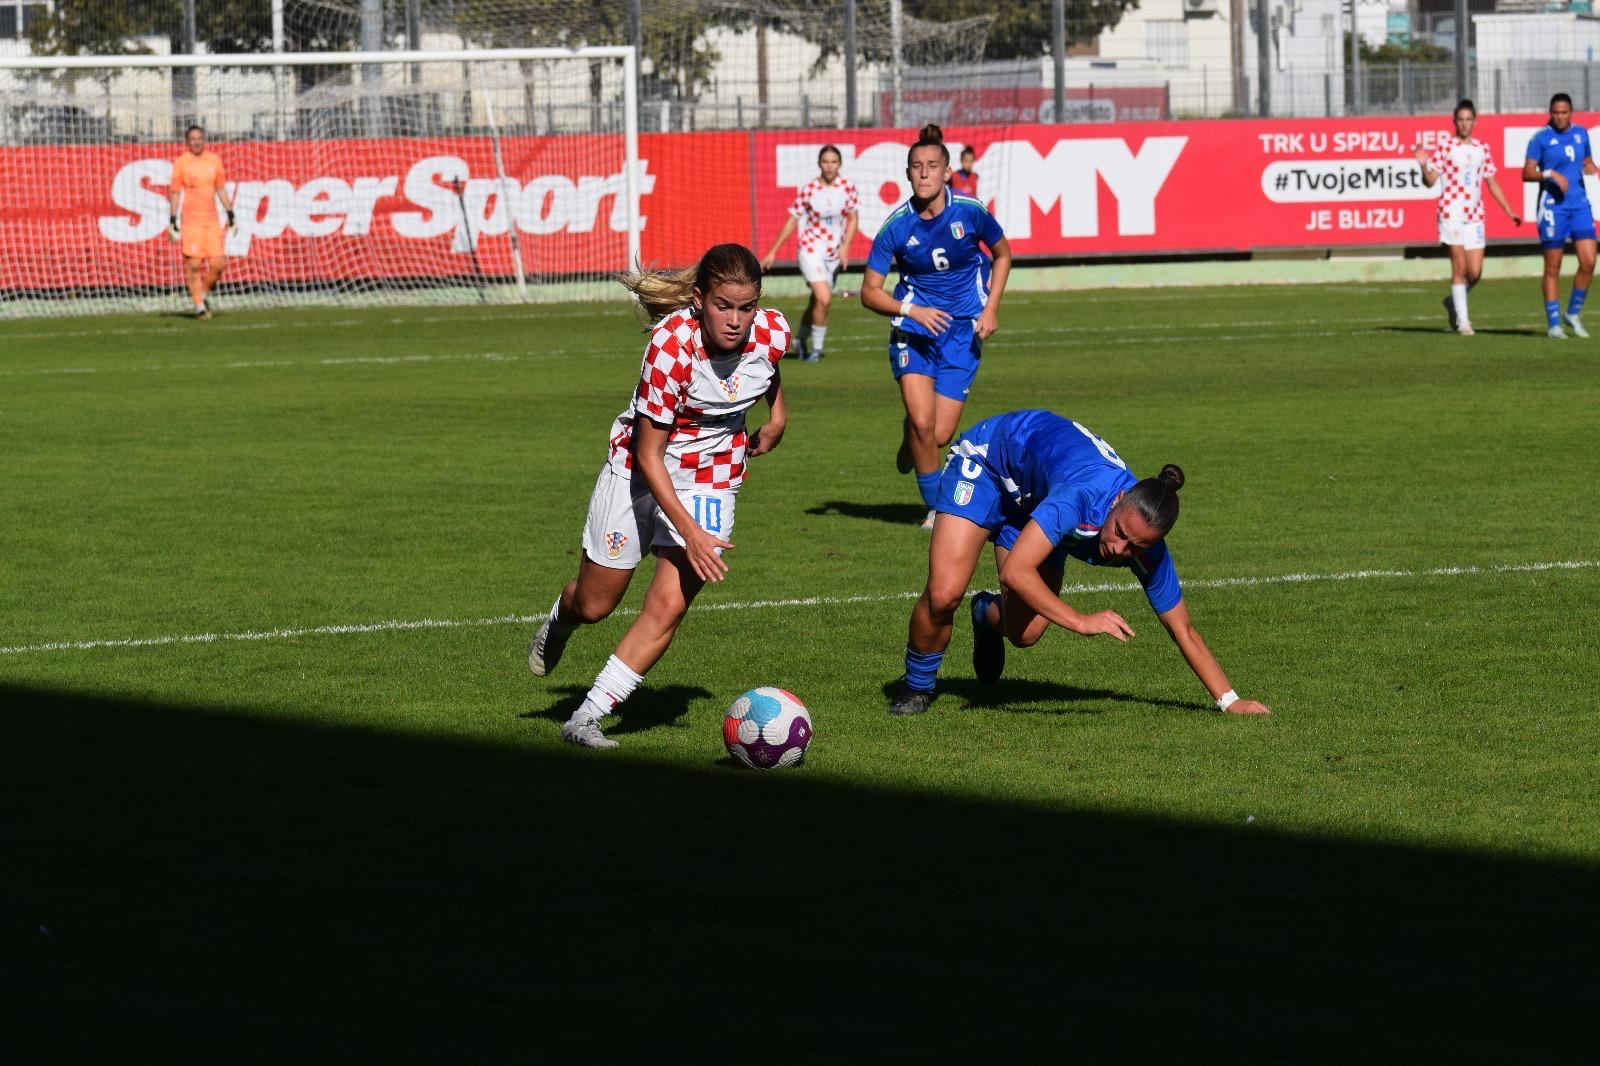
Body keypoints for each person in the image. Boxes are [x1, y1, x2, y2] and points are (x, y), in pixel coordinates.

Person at [527, 244, 791, 749]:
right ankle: (561, 621)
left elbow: (768, 367)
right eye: (723, 306)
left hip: (711, 475)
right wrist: (690, 533)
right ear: (698, 299)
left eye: (746, 307)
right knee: (595, 604)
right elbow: (649, 454)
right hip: (638, 473)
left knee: (668, 605)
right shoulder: (672, 347)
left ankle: (586, 718)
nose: (736, 320)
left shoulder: (773, 331)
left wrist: (778, 416)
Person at [888, 408, 1271, 719]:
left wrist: (1230, 700)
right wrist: (1080, 621)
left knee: (1025, 634)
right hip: (991, 463)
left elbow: (1182, 628)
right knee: (945, 593)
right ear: (1118, 500)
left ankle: (986, 614)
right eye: (1119, 532)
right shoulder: (1080, 497)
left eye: (1135, 547)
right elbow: (1016, 572)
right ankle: (917, 687)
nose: (1118, 549)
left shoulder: (1147, 548)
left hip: (1039, 501)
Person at [860, 124, 1012, 530]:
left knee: (939, 434)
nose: (924, 172)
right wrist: (912, 311)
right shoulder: (896, 226)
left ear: (947, 172)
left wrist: (992, 308)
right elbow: (869, 292)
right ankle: (937, 510)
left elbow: (1002, 254)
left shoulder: (970, 211)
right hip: (914, 335)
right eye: (916, 166)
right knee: (925, 424)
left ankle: (912, 436)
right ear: (907, 174)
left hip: (962, 333)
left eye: (932, 165)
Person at [1412, 99, 1522, 337]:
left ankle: (1452, 301)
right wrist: (1422, 165)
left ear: (1474, 122)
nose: (1464, 123)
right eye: (1460, 119)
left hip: (1475, 216)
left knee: (1474, 273)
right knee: (1459, 268)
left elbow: (1491, 181)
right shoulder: (1446, 147)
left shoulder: (1482, 148)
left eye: (1468, 119)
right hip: (1451, 212)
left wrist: (1508, 210)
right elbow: (1430, 181)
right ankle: (1464, 323)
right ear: (1454, 122)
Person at [760, 145, 859, 362]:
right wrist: (773, 251)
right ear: (819, 164)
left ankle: (800, 340)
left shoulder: (847, 187)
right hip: (810, 248)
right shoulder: (810, 189)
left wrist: (846, 247)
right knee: (824, 298)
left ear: (840, 164)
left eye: (834, 162)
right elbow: (793, 220)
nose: (830, 166)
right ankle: (817, 350)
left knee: (817, 301)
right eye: (825, 161)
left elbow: (853, 218)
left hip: (833, 254)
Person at [1522, 92, 1600, 339]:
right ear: (1550, 113)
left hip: (1579, 206)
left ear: (1571, 112)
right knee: (1553, 266)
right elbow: (1527, 173)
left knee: (1589, 261)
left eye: (1564, 112)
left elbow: (1586, 159)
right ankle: (1554, 324)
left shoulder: (1581, 134)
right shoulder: (1540, 138)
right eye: (1555, 112)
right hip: (1553, 208)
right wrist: (1550, 174)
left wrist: (1590, 165)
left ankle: (1573, 313)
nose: (1560, 117)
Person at [168, 125, 235, 320]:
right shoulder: (181, 162)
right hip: (191, 222)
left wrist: (231, 213)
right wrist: (172, 219)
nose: (196, 142)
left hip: (212, 220)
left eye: (199, 138)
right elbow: (175, 192)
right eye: (193, 139)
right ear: (187, 142)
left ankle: (203, 293)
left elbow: (221, 189)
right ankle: (199, 306)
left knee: (218, 264)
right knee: (194, 264)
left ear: (204, 140)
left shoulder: (214, 160)